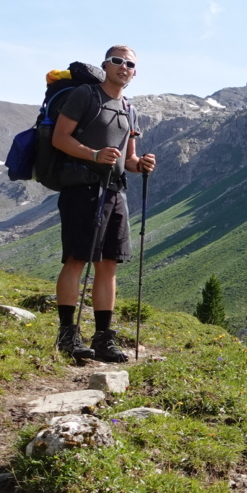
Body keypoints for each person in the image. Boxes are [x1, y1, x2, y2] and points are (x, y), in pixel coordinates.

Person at [52, 46, 156, 362]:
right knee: (76, 260)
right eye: (117, 61)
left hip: (113, 191)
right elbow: (60, 138)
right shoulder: (85, 95)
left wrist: (141, 164)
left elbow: (129, 159)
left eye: (130, 64)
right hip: (82, 188)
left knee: (109, 264)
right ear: (106, 65)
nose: (124, 67)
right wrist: (94, 155)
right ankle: (67, 335)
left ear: (135, 72)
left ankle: (102, 339)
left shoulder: (129, 109)